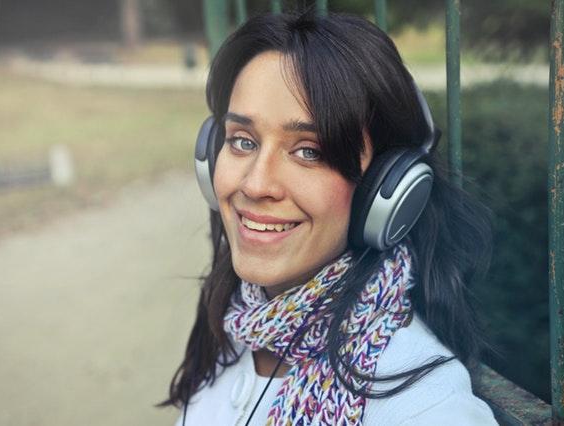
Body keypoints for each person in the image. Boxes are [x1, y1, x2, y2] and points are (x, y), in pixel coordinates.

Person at [162, 10, 498, 426]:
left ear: (386, 192)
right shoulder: (229, 333)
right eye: (243, 141)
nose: (255, 184)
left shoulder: (426, 408)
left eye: (309, 152)